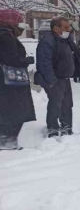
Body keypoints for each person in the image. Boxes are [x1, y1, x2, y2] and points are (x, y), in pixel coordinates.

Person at [0, 11, 35, 150]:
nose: (20, 26)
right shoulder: (5, 36)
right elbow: (12, 59)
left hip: (4, 81)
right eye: (18, 21)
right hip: (9, 81)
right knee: (15, 110)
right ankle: (7, 141)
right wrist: (27, 60)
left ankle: (6, 140)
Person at [36, 16, 75, 137]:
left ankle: (66, 127)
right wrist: (51, 80)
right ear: (56, 28)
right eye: (66, 27)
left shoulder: (64, 41)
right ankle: (53, 129)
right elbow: (44, 62)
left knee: (67, 104)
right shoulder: (48, 41)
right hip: (54, 79)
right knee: (56, 105)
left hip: (64, 78)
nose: (69, 30)